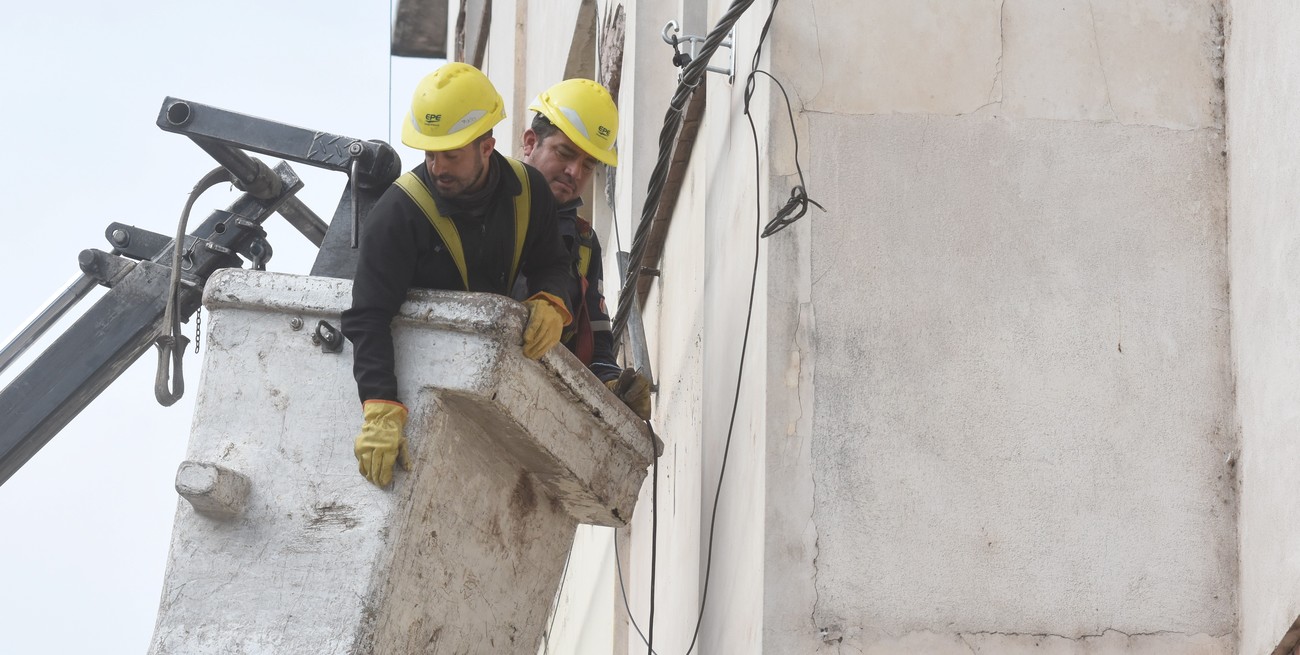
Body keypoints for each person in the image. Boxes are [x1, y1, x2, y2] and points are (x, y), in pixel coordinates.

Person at [342, 62, 574, 488]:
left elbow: (553, 263)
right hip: (415, 383)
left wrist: (551, 300)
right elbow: (368, 316)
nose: (437, 167)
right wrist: (379, 407)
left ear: (487, 146)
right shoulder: (398, 214)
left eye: (451, 154)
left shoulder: (529, 192)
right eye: (430, 153)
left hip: (492, 388)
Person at [519, 79, 652, 421]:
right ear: (530, 143)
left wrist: (613, 387)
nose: (575, 172)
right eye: (565, 153)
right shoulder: (485, 205)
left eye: (589, 164)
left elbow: (596, 351)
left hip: (539, 411)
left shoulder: (583, 243)